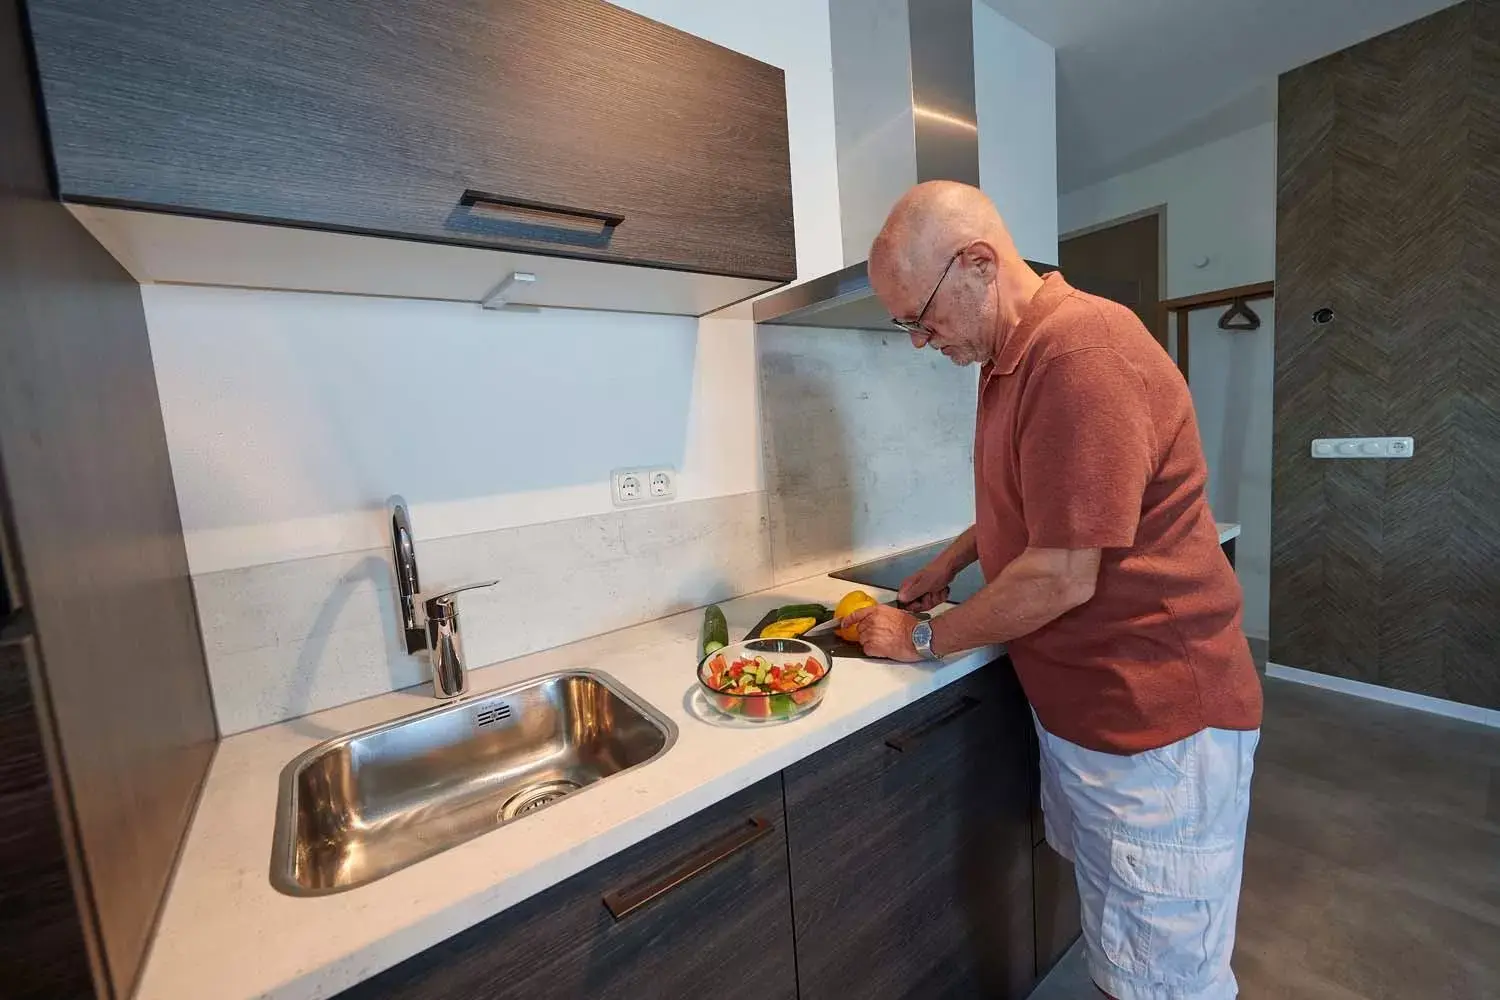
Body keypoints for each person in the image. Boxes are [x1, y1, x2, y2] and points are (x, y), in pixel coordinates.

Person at [840, 180, 1264, 1000]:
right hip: (1096, 717)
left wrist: (923, 636)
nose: (923, 342)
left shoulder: (1079, 351)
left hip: (1157, 723)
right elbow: (1043, 507)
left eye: (921, 318)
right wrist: (954, 561)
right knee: (1124, 949)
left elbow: (1065, 573)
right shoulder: (1010, 360)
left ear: (977, 263)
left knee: (1167, 978)